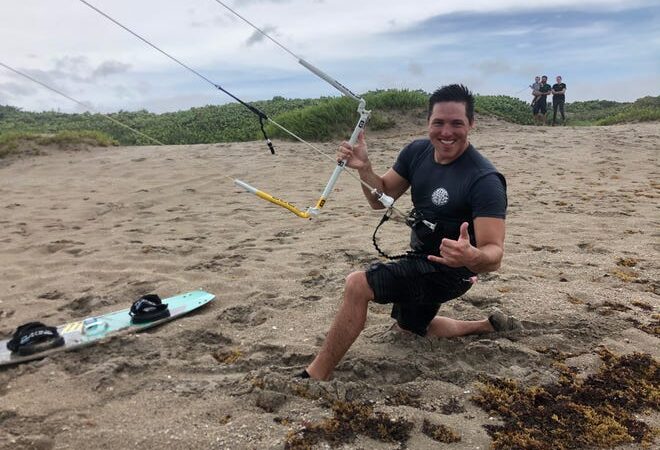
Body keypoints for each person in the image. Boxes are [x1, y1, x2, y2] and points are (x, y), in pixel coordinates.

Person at [299, 84, 522, 381]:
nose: (447, 132)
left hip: (451, 272)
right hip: (419, 258)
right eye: (439, 123)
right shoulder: (417, 152)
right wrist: (364, 168)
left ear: (471, 124)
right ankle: (485, 325)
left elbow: (495, 255)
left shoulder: (484, 180)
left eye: (457, 123)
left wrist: (471, 255)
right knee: (411, 330)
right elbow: (381, 198)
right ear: (428, 122)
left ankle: (316, 375)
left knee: (357, 285)